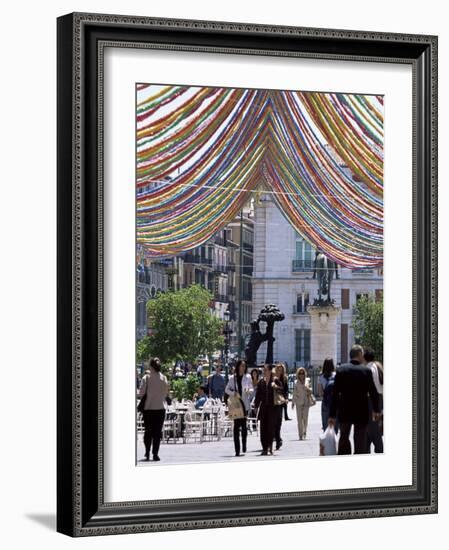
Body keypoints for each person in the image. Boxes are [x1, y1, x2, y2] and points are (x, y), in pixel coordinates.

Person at [328, 345, 381, 454]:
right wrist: (376, 410)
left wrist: (332, 415)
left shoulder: (341, 370)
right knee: (360, 439)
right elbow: (373, 392)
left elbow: (335, 395)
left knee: (344, 437)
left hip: (345, 410)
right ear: (360, 355)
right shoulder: (366, 370)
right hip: (361, 410)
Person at [139, 357, 169, 462]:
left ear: (150, 366)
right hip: (160, 408)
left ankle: (147, 452)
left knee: (148, 432)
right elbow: (166, 393)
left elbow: (141, 393)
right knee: (157, 433)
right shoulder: (164, 378)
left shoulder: (146, 378)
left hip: (148, 408)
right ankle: (155, 454)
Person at [225, 359, 253, 456]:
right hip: (236, 404)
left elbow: (252, 389)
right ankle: (237, 449)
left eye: (244, 366)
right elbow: (226, 389)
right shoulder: (233, 378)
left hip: (244, 404)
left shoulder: (248, 377)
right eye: (241, 366)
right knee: (236, 427)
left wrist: (248, 390)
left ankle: (244, 444)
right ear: (238, 367)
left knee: (244, 427)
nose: (243, 368)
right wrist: (234, 393)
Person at [254, 364, 279, 455]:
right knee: (263, 428)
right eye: (263, 370)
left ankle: (270, 446)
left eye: (265, 370)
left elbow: (282, 391)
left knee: (270, 428)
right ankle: (264, 448)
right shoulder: (261, 382)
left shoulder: (275, 380)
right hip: (264, 408)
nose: (264, 371)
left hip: (273, 408)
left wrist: (276, 387)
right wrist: (256, 406)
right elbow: (258, 395)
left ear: (269, 371)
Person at [364, 349, 384, 453]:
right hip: (379, 398)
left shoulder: (369, 368)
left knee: (373, 426)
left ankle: (378, 448)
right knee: (372, 425)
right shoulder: (377, 366)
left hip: (371, 399)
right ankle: (367, 448)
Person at [292, 367, 314, 440]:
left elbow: (311, 390)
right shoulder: (296, 382)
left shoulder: (308, 380)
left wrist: (307, 388)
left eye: (303, 373)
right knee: (299, 420)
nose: (302, 375)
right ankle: (300, 435)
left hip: (306, 402)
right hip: (298, 402)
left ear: (305, 374)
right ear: (298, 374)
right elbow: (294, 393)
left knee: (305, 419)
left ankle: (305, 431)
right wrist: (293, 402)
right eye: (300, 373)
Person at [318, 357, 337, 433]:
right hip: (335, 403)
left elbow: (320, 392)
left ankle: (327, 442)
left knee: (326, 425)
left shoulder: (321, 376)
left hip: (325, 402)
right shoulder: (336, 375)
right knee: (335, 425)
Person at [273, 363, 289, 450]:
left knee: (279, 421)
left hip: (281, 402)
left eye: (281, 369)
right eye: (278, 369)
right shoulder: (273, 379)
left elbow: (286, 390)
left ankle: (278, 439)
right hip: (273, 402)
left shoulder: (284, 378)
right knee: (274, 421)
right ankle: (278, 438)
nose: (279, 371)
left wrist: (286, 398)